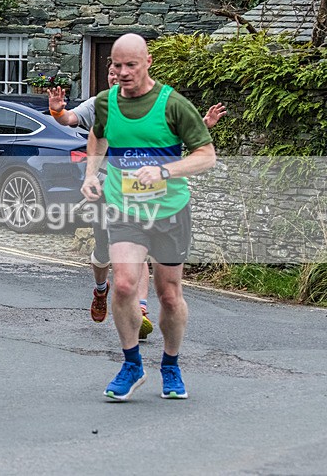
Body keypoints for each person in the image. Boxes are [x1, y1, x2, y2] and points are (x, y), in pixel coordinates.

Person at [81, 33, 216, 401]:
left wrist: (166, 171)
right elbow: (98, 136)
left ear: (147, 63)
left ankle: (170, 365)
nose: (122, 72)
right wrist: (92, 174)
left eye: (130, 65)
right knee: (124, 284)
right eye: (116, 65)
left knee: (169, 295)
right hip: (125, 208)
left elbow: (206, 155)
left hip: (169, 210)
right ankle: (131, 363)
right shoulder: (106, 102)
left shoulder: (173, 104)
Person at [50, 67, 225, 340]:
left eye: (120, 71)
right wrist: (58, 112)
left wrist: (202, 124)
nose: (115, 77)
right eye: (110, 72)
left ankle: (140, 310)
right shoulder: (100, 104)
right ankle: (100, 290)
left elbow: (171, 134)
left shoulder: (150, 105)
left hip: (136, 191)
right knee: (103, 253)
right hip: (105, 187)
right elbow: (70, 118)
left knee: (137, 250)